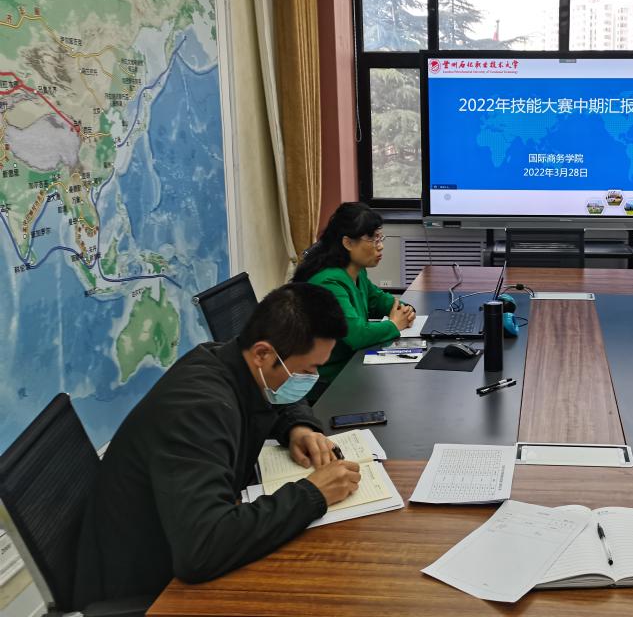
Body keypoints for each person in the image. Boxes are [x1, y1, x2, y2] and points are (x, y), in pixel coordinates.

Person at [74, 283, 362, 607]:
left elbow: (276, 397)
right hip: (148, 585)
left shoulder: (230, 360)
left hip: (174, 539)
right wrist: (313, 493)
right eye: (308, 371)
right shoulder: (199, 409)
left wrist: (299, 426)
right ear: (263, 354)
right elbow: (203, 549)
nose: (311, 379)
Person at [293, 202, 415, 402]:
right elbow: (356, 335)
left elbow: (377, 300)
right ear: (348, 243)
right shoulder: (328, 282)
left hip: (349, 366)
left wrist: (404, 310)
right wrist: (394, 324)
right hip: (325, 380)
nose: (380, 245)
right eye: (373, 239)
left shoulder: (356, 270)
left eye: (380, 237)